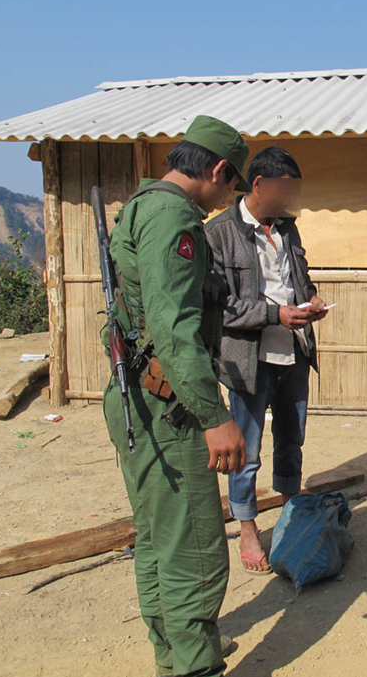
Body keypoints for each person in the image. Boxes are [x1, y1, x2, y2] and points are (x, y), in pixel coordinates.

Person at [102, 115, 250, 676]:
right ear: (216, 170)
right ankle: (194, 666)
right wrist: (215, 416)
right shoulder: (175, 220)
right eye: (232, 184)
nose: (228, 196)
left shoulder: (141, 205)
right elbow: (175, 329)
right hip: (169, 405)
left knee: (161, 538)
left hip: (136, 395)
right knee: (193, 546)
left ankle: (174, 655)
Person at [205, 146, 326, 575]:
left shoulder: (287, 229)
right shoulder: (218, 233)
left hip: (293, 352)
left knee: (292, 439)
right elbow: (222, 307)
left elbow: (300, 277)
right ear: (259, 185)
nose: (290, 200)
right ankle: (248, 527)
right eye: (285, 190)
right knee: (247, 450)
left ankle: (291, 514)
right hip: (248, 360)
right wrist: (276, 314)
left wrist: (309, 301)